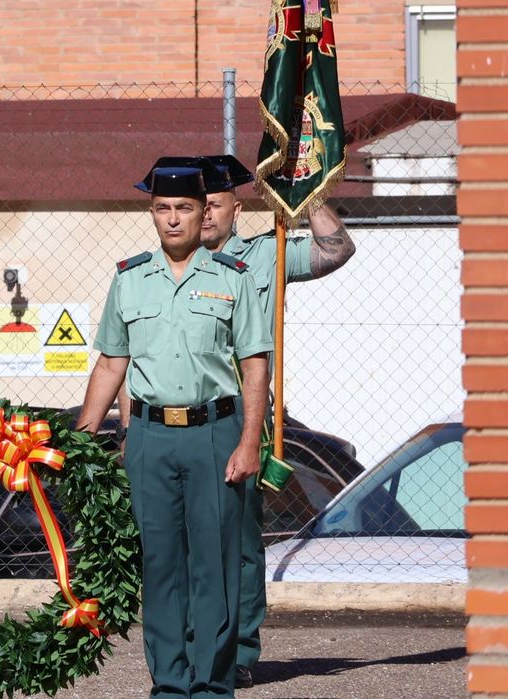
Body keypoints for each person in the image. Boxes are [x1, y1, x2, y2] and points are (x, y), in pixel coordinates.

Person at [76, 163, 270, 699]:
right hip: (149, 438)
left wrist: (249, 441)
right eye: (163, 208)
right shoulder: (129, 277)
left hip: (214, 433)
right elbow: (111, 363)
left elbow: (255, 363)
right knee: (160, 565)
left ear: (203, 212)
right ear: (152, 213)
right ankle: (168, 683)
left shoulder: (231, 277)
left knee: (214, 566)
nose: (173, 219)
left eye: (184, 208)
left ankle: (210, 685)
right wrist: (83, 439)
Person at [198, 153, 355, 688]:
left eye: (214, 206)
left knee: (239, 545)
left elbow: (338, 249)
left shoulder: (268, 254)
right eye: (197, 206)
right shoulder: (168, 264)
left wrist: (305, 198)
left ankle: (239, 651)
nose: (203, 217)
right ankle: (194, 644)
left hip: (243, 418)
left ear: (235, 209)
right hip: (184, 419)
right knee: (185, 541)